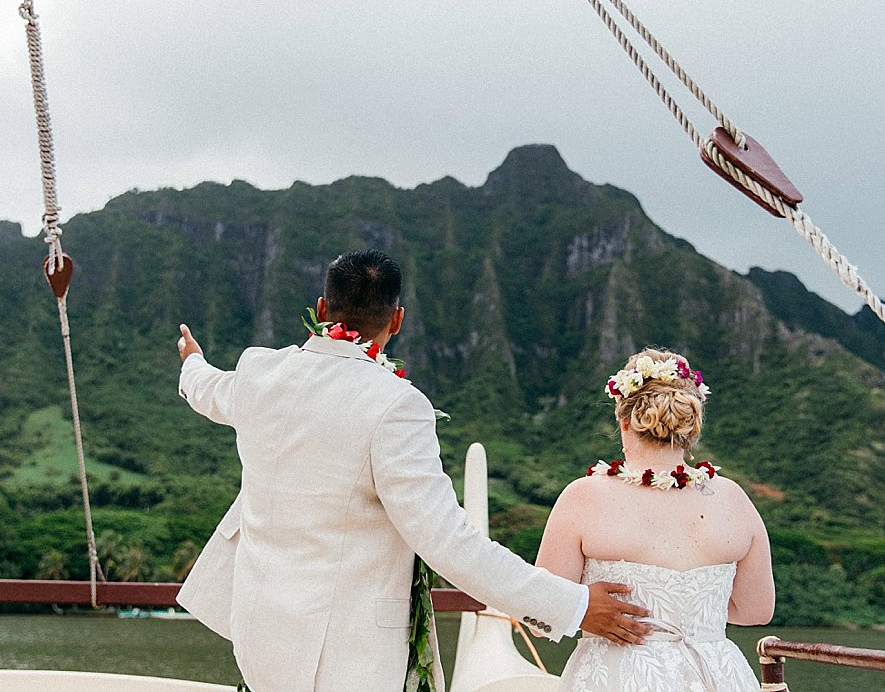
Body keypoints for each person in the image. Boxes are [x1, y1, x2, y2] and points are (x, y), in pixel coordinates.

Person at [174, 250, 651, 692]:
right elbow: (449, 542)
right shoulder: (396, 405)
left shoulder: (259, 372)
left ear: (322, 310)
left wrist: (192, 362)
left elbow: (209, 389)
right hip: (345, 658)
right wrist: (574, 606)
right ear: (397, 320)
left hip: (259, 632)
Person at [540, 348, 775, 692]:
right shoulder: (733, 499)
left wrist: (584, 607)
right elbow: (756, 611)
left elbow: (540, 616)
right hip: (720, 676)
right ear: (690, 423)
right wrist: (696, 613)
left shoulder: (584, 497)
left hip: (618, 676)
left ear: (623, 421)